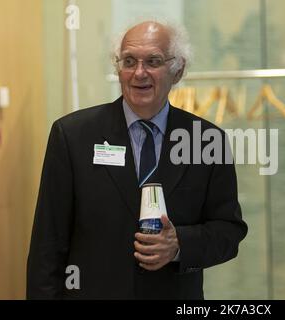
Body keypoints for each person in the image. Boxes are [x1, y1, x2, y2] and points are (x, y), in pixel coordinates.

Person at [27, 20, 247, 299]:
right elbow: (48, 243)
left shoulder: (206, 140)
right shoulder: (72, 135)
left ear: (177, 70)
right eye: (129, 61)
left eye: (153, 61)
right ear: (118, 69)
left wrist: (179, 244)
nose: (139, 73)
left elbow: (228, 231)